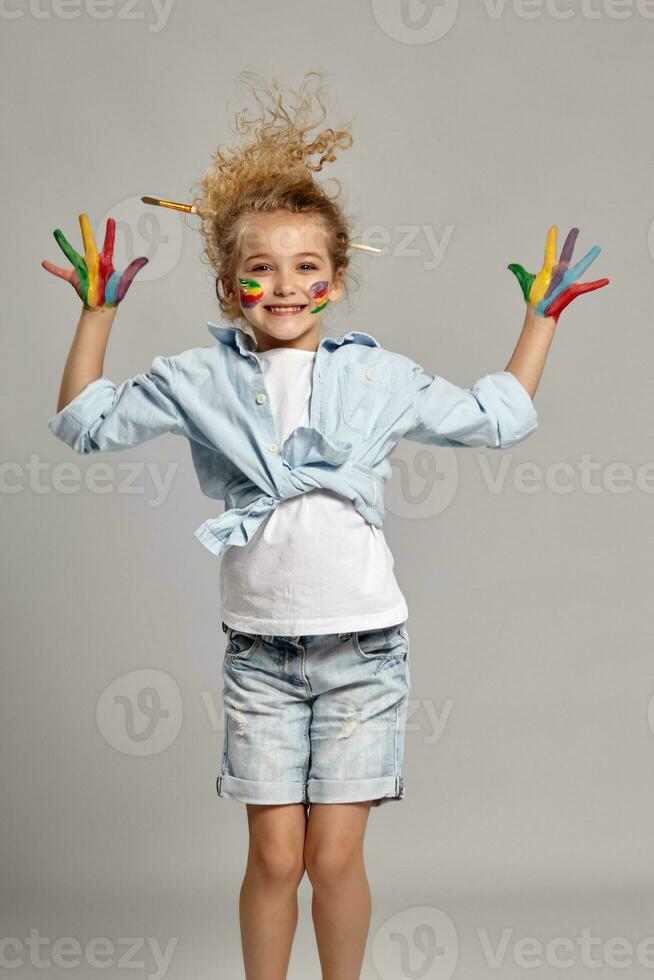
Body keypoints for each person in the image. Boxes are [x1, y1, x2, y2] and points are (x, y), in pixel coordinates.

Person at [43, 69, 607, 980]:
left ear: (337, 281)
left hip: (364, 653)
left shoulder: (378, 379)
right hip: (262, 656)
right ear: (230, 288)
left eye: (308, 267)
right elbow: (85, 425)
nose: (285, 285)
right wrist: (96, 314)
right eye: (259, 269)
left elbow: (496, 419)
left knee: (336, 859)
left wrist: (536, 321)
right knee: (274, 859)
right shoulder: (197, 379)